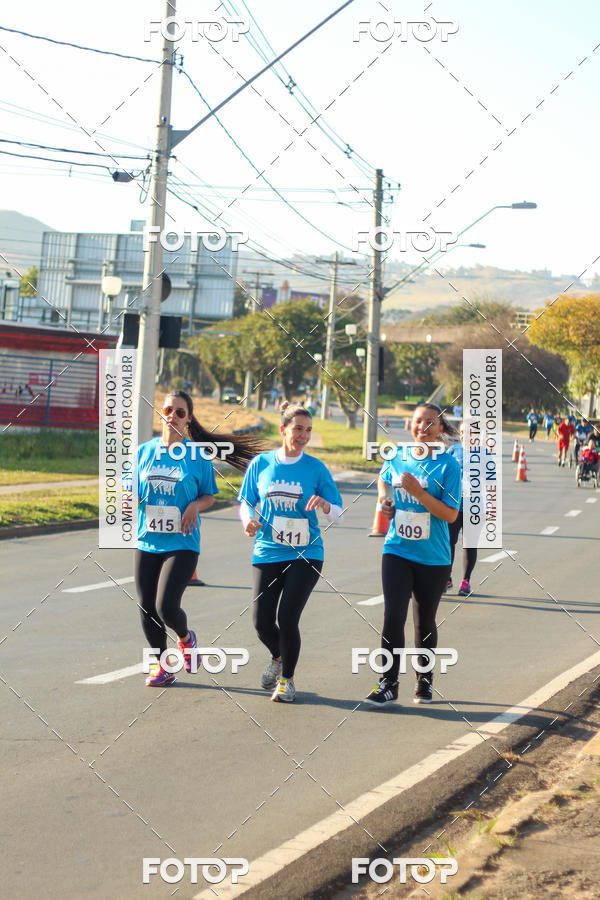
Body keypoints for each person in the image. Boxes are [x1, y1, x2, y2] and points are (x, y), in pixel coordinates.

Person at [136, 390, 264, 687]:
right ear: (161, 413)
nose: (172, 416)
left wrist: (194, 505)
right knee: (146, 607)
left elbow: (209, 495)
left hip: (182, 542)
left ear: (188, 419)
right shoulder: (144, 452)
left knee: (166, 607)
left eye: (180, 412)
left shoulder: (196, 455)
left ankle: (185, 638)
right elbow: (130, 490)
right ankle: (163, 666)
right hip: (148, 539)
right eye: (168, 410)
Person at [238, 401, 343, 703]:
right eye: (298, 429)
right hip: (268, 550)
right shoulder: (261, 464)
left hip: (306, 553)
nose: (303, 435)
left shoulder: (316, 468)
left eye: (308, 430)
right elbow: (246, 501)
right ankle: (278, 656)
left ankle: (287, 681)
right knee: (261, 621)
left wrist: (325, 506)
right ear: (283, 430)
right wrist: (248, 521)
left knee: (288, 618)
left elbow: (338, 513)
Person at [365, 403, 461, 707]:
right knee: (393, 616)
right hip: (397, 549)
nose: (422, 428)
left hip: (433, 557)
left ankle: (424, 681)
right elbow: (384, 479)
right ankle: (388, 683)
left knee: (424, 621)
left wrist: (419, 494)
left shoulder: (449, 466)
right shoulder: (398, 456)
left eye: (430, 423)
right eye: (418, 422)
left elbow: (449, 514)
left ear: (441, 429)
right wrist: (386, 499)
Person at [447, 423, 478, 596]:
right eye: (464, 432)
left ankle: (466, 581)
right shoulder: (453, 451)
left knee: (470, 545)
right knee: (448, 543)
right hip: (453, 506)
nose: (467, 435)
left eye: (472, 432)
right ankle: (446, 577)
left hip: (474, 508)